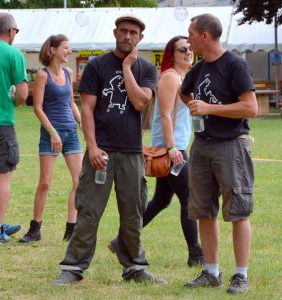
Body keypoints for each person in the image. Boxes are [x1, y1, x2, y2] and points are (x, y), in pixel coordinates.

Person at [53, 14, 166, 286]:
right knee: (89, 211)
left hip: (131, 152)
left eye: (133, 32)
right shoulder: (97, 66)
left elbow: (141, 103)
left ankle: (135, 267)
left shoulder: (147, 69)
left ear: (140, 38)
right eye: (124, 31)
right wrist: (92, 146)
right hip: (100, 152)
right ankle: (73, 267)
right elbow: (88, 109)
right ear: (115, 32)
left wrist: (127, 68)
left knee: (133, 212)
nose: (128, 36)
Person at [108, 36, 204, 267]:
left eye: (190, 48)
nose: (189, 52)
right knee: (189, 199)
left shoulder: (183, 77)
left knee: (161, 200)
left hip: (174, 146)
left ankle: (120, 241)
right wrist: (171, 148)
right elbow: (164, 115)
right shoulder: (171, 78)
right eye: (183, 49)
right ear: (172, 53)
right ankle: (196, 254)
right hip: (171, 149)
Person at [180, 14, 258, 294]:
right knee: (203, 211)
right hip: (202, 146)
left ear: (205, 36)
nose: (187, 40)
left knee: (238, 211)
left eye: (191, 34)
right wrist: (193, 106)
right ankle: (211, 272)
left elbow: (251, 108)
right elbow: (183, 92)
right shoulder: (198, 69)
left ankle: (240, 275)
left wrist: (209, 109)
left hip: (231, 146)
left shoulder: (235, 64)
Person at [19, 35, 83, 243]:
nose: (69, 52)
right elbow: (37, 108)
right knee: (45, 183)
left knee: (79, 181)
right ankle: (35, 229)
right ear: (52, 50)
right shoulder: (42, 75)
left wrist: (82, 122)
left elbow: (71, 103)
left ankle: (71, 229)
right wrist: (52, 132)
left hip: (71, 133)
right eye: (65, 48)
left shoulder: (69, 72)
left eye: (69, 48)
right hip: (50, 134)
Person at [0, 12, 28, 244]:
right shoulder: (13, 53)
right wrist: (13, 103)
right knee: (3, 176)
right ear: (10, 31)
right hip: (0, 122)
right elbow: (22, 94)